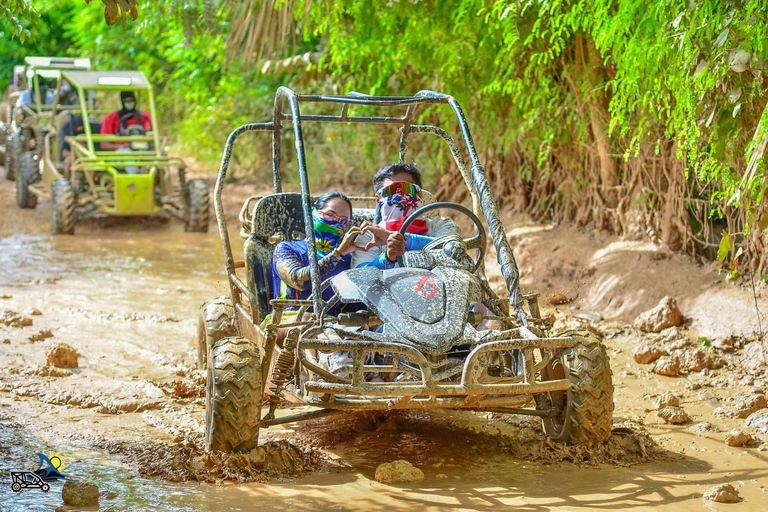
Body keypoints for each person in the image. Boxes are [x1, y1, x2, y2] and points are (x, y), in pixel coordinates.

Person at [351, 162, 458, 269]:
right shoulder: (369, 234)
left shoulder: (441, 225)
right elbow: (361, 272)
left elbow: (455, 249)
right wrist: (387, 258)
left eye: (407, 189)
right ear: (378, 199)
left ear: (419, 195)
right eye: (390, 191)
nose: (399, 195)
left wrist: (397, 238)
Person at [272, 191, 363, 309]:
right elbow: (298, 280)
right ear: (313, 213)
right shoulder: (286, 249)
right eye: (330, 215)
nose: (336, 224)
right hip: (291, 319)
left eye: (343, 221)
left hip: (334, 323)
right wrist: (337, 255)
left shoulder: (347, 259)